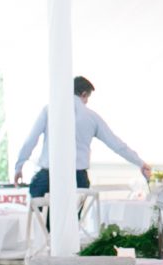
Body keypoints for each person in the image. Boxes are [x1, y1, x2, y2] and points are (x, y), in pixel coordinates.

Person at [11, 76, 149, 198]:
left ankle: (46, 221)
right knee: (73, 212)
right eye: (87, 98)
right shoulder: (92, 117)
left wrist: (19, 167)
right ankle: (71, 221)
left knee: (40, 206)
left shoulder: (49, 110)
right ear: (84, 94)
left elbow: (31, 140)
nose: (86, 102)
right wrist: (140, 163)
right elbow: (117, 145)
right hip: (78, 180)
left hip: (47, 178)